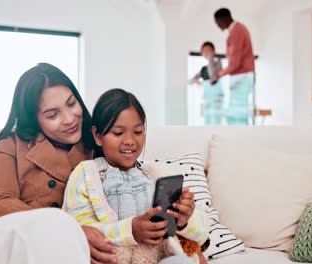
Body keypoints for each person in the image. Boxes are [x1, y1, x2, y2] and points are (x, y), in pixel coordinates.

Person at [0, 63, 117, 264]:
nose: (69, 119)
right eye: (52, 115)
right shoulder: (11, 146)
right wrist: (72, 231)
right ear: (34, 120)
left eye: (71, 104)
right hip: (26, 244)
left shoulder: (99, 141)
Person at [62, 89, 210, 264]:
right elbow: (80, 231)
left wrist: (185, 221)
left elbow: (203, 232)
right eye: (118, 133)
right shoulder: (87, 174)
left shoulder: (156, 174)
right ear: (98, 135)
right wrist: (130, 231)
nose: (130, 141)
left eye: (138, 131)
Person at [212, 8, 255, 125]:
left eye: (217, 22)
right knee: (238, 112)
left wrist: (218, 75)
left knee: (237, 114)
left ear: (223, 19)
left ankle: (240, 140)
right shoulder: (238, 29)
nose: (217, 25)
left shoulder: (237, 31)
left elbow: (235, 63)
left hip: (242, 76)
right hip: (243, 76)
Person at [190, 42, 224, 125]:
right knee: (207, 120)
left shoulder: (218, 63)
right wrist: (196, 80)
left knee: (216, 119)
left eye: (208, 51)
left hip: (217, 98)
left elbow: (212, 74)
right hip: (207, 98)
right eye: (204, 51)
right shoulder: (203, 69)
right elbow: (191, 80)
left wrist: (210, 58)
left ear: (213, 52)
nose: (206, 53)